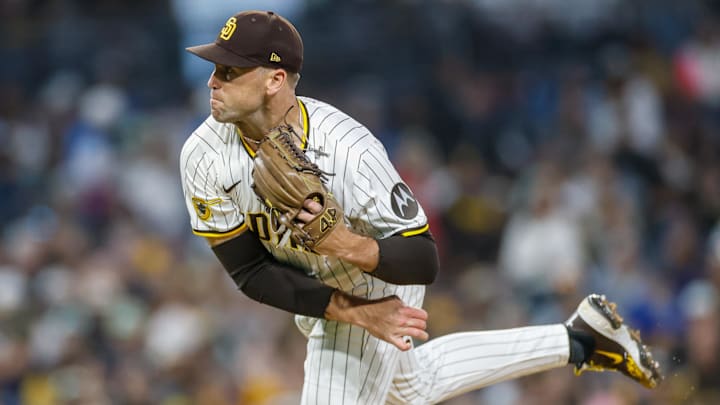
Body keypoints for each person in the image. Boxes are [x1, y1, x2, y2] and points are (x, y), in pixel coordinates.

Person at [179, 10, 661, 404]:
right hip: (327, 292)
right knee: (414, 387)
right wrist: (352, 312)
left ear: (274, 79)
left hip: (381, 271)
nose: (213, 82)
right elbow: (249, 273)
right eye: (215, 68)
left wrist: (346, 247)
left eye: (230, 70)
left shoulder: (348, 150)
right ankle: (580, 339)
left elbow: (423, 259)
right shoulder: (202, 156)